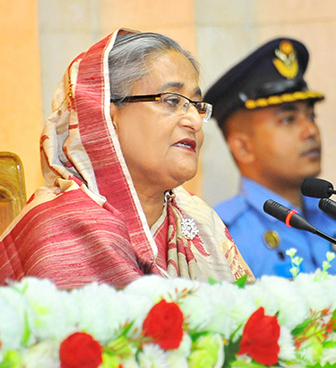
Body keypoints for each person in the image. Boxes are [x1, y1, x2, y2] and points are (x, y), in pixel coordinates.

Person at [0, 30, 253, 288]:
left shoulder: (200, 219)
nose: (194, 121)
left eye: (196, 105)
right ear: (107, 118)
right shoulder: (59, 231)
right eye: (172, 100)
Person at [204, 38, 336, 278]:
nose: (311, 130)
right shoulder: (223, 236)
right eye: (288, 120)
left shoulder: (332, 217)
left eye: (311, 116)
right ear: (243, 147)